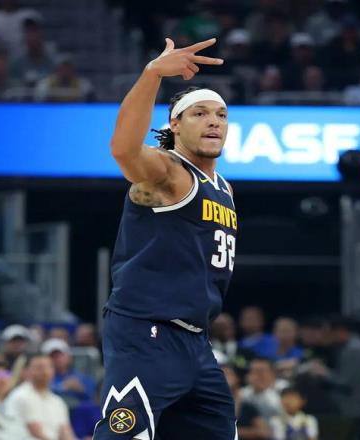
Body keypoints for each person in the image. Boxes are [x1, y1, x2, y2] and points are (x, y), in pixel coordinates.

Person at [94, 37, 237, 439]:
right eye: (200, 114)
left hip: (197, 341)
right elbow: (124, 150)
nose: (214, 121)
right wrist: (152, 74)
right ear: (175, 125)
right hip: (147, 331)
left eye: (221, 114)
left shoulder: (224, 188)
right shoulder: (167, 173)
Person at [0, 353, 77, 440]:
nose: (45, 372)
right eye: (40, 368)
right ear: (27, 371)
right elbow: (36, 433)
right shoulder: (21, 396)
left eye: (49, 367)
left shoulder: (58, 401)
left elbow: (65, 432)